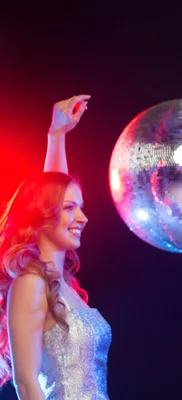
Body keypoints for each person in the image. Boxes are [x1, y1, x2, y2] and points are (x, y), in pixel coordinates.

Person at [0, 95, 112, 399]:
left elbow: (53, 191)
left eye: (81, 207)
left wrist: (57, 136)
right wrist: (55, 136)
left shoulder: (60, 284)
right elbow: (26, 384)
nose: (83, 217)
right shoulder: (29, 285)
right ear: (43, 214)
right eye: (71, 208)